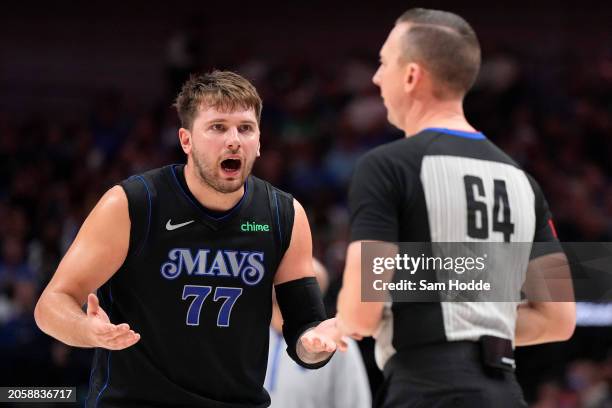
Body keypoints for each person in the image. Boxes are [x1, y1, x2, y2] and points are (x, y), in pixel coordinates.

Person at [34, 70, 343, 408]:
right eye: (217, 127)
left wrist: (314, 346)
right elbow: (51, 304)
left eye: (245, 128)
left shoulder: (284, 215)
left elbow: (305, 329)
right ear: (186, 140)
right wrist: (87, 331)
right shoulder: (134, 203)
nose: (233, 140)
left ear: (258, 140)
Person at [335, 8, 576, 408]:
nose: (376, 77)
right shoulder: (521, 179)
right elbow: (559, 320)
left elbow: (361, 314)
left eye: (383, 63)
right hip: (504, 391)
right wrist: (467, 321)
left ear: (411, 76)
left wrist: (338, 322)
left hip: (426, 388)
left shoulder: (386, 166)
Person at [265, 258, 371, 408]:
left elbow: (356, 403)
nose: (289, 282)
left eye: (300, 280)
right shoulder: (249, 337)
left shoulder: (338, 343)